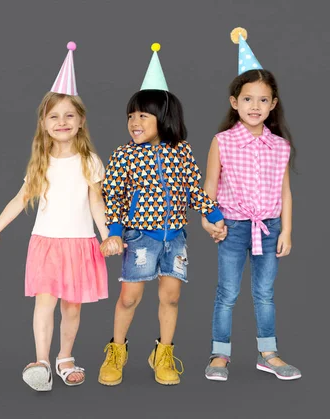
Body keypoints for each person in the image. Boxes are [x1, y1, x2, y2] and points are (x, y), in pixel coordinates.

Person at [0, 43, 108, 391]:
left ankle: (65, 356)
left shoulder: (90, 161)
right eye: (54, 116)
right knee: (44, 305)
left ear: (80, 120)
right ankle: (40, 361)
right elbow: (21, 199)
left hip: (81, 243)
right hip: (47, 244)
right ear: (44, 122)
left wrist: (107, 234)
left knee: (72, 309)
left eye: (69, 115)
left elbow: (96, 202)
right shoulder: (41, 161)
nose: (62, 122)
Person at [99, 44, 224, 386]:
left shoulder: (180, 150)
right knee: (129, 298)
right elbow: (113, 196)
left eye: (143, 115)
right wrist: (113, 229)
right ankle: (116, 351)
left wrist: (212, 211)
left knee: (171, 296)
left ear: (163, 118)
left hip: (176, 237)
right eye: (131, 116)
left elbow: (193, 186)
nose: (134, 122)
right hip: (139, 236)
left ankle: (164, 353)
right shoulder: (124, 154)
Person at [203, 28, 301, 382]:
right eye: (247, 99)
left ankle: (268, 352)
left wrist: (286, 229)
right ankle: (220, 353)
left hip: (269, 226)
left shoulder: (280, 146)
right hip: (232, 225)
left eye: (263, 100)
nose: (255, 107)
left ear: (273, 104)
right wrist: (209, 220)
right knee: (227, 292)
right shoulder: (223, 142)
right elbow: (209, 188)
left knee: (264, 292)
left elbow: (284, 191)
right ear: (234, 102)